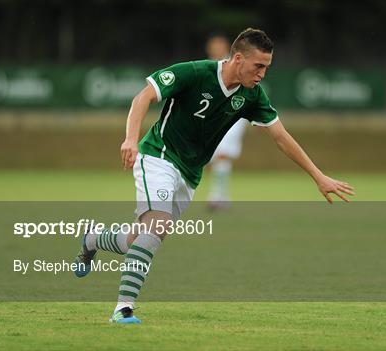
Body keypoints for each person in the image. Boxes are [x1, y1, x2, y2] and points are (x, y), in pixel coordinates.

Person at [73, 28, 354, 324]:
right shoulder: (195, 73)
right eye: (258, 66)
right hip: (158, 156)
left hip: (190, 174)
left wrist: (318, 176)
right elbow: (142, 98)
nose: (262, 74)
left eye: (267, 68)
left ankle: (92, 239)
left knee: (136, 239)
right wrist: (130, 139)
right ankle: (123, 309)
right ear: (237, 58)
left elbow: (281, 136)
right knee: (156, 228)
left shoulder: (252, 95)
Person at [205, 33, 248, 208]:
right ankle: (221, 195)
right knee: (213, 158)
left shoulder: (235, 66)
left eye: (220, 45)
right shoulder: (205, 67)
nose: (216, 49)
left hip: (233, 117)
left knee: (222, 155)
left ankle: (217, 197)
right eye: (214, 46)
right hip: (210, 118)